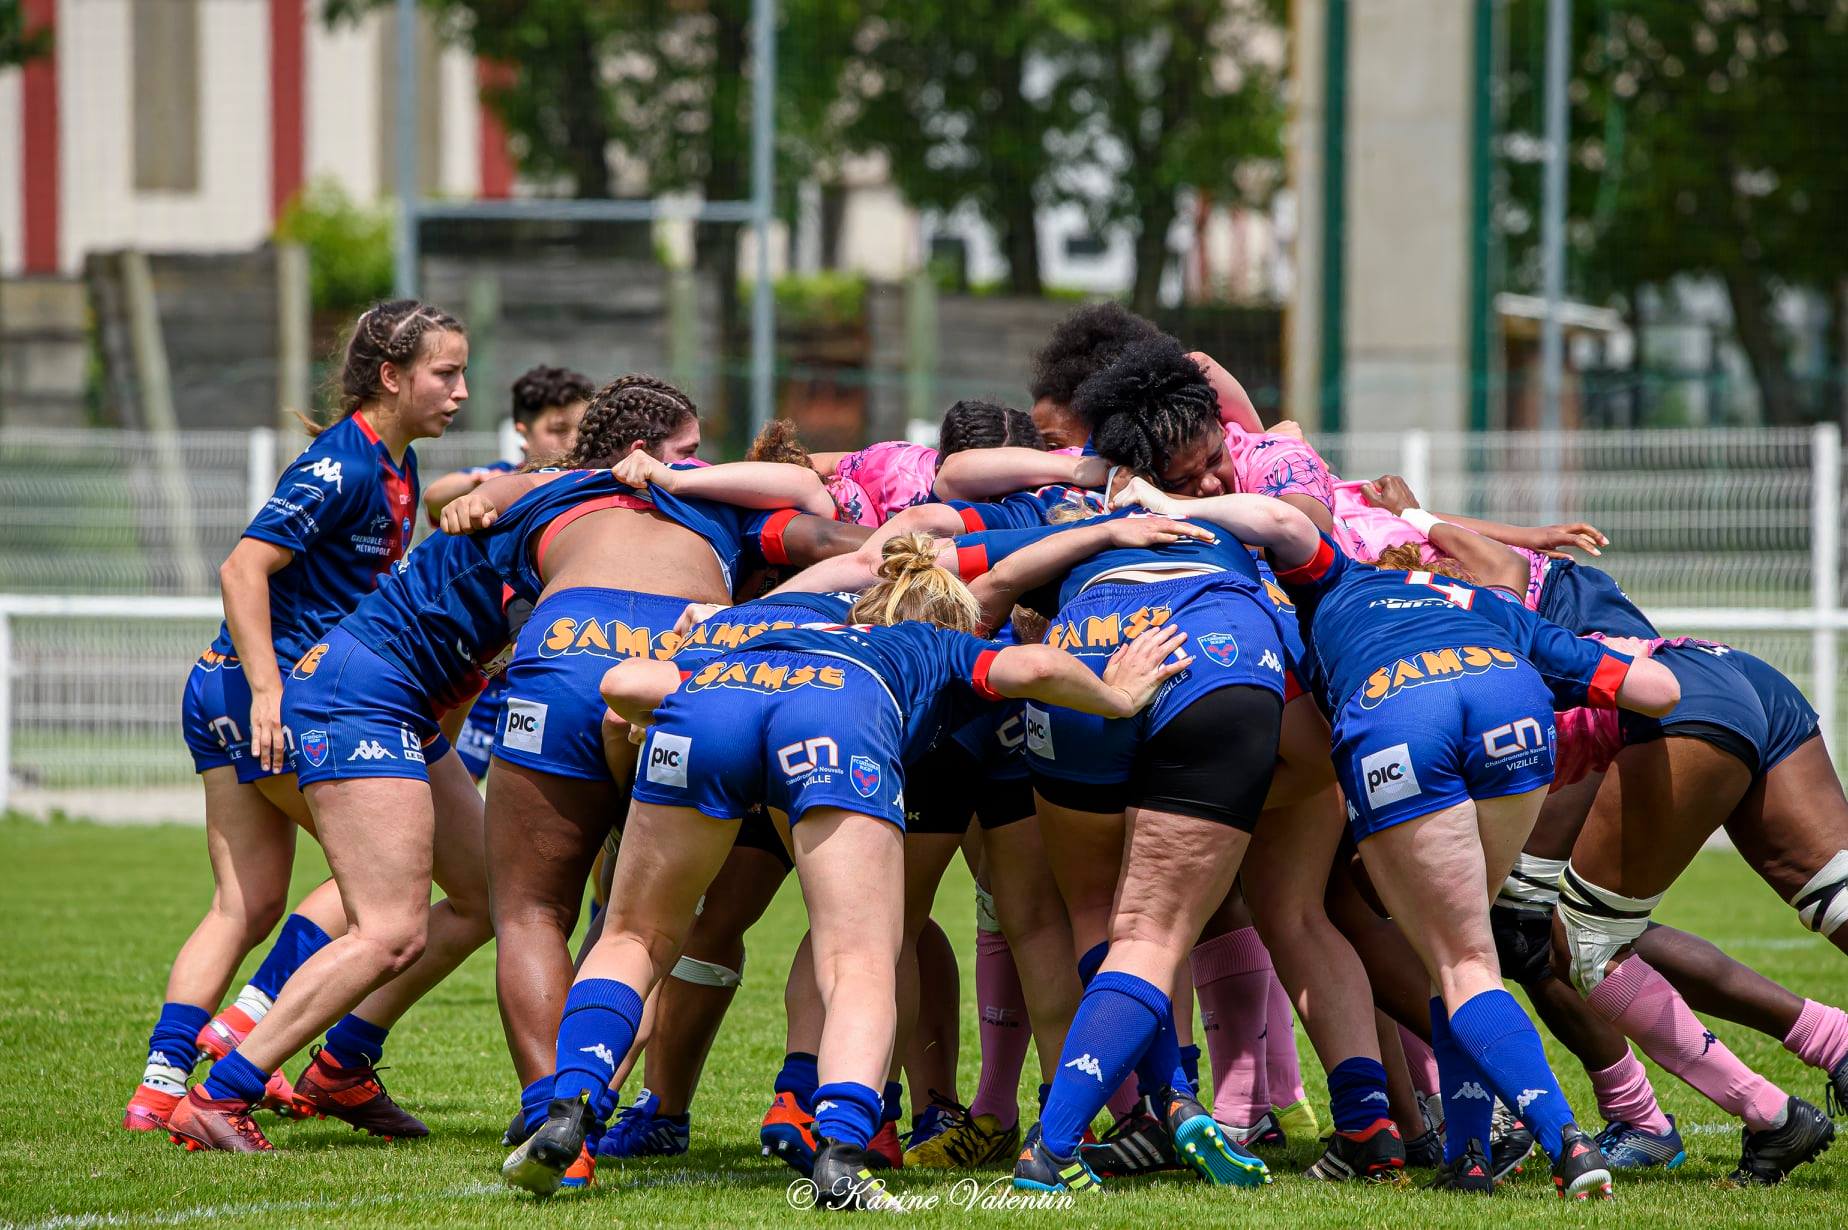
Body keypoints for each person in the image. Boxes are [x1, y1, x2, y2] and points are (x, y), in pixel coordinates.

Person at [503, 534, 1193, 1208]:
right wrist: (1117, 696)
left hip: (709, 701)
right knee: (858, 960)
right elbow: (1033, 668)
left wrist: (672, 717)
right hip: (836, 718)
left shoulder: (766, 629)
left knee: (633, 936)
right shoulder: (930, 642)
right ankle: (840, 1152)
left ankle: (568, 1111)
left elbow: (623, 683)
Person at [1269, 501, 1680, 1200]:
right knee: (1461, 958)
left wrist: (1155, 506)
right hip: (1513, 718)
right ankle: (1469, 1156)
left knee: (1461, 962)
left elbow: (1281, 527)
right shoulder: (1481, 604)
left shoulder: (1332, 596)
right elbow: (1659, 690)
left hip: (1402, 722)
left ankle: (1565, 1138)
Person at [126, 300, 461, 1134]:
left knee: (246, 903)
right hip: (273, 694)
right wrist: (271, 692)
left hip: (228, 687)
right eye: (446, 373)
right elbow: (242, 569)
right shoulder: (343, 463)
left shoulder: (397, 462)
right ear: (392, 377)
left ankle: (158, 1090)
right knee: (384, 890)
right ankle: (249, 1044)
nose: (461, 391)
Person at [423, 365, 594, 781]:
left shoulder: (586, 488)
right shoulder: (502, 481)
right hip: (483, 673)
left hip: (541, 667)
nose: (572, 441)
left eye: (581, 429)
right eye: (557, 429)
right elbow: (436, 498)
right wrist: (480, 483)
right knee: (449, 783)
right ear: (523, 431)